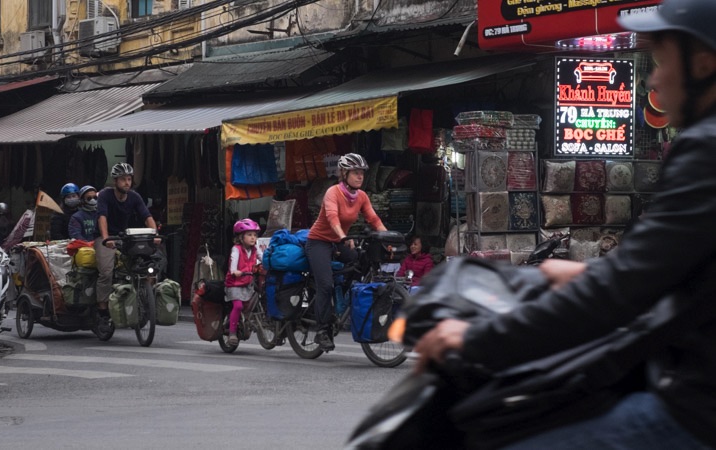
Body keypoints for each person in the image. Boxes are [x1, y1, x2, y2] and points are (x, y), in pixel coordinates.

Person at [414, 1, 716, 447]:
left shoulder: (704, 152)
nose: (653, 80)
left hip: (695, 410)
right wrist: (587, 271)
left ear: (703, 64)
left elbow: (617, 295)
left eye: (661, 61)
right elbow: (678, 272)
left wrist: (476, 338)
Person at [305, 153, 387, 352]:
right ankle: (322, 330)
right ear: (344, 174)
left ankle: (343, 297)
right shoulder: (333, 192)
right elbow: (332, 218)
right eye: (355, 172)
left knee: (361, 261)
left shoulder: (362, 196)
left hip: (339, 241)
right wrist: (343, 235)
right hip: (319, 242)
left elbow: (374, 220)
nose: (360, 176)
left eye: (362, 173)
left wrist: (389, 238)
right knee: (325, 285)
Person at [95, 163, 158, 322]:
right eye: (123, 179)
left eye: (129, 179)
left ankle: (145, 300)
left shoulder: (135, 197)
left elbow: (147, 217)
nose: (127, 183)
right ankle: (102, 310)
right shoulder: (105, 195)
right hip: (105, 238)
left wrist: (154, 234)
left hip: (125, 237)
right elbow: (102, 217)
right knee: (106, 272)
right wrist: (106, 238)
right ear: (115, 181)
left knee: (146, 265)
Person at [224, 218, 263, 346]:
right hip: (234, 284)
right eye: (249, 235)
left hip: (248, 283)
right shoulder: (236, 249)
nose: (253, 238)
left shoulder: (255, 249)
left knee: (250, 305)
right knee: (238, 306)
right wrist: (235, 271)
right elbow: (233, 265)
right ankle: (232, 333)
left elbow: (263, 258)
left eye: (255, 235)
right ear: (241, 237)